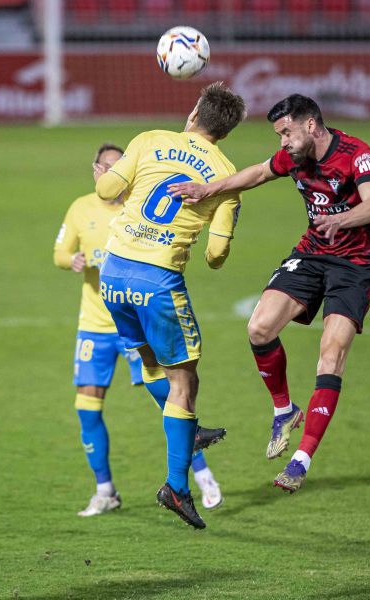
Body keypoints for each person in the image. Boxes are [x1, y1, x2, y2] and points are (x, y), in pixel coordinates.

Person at [168, 94, 370, 494]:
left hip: (354, 265)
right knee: (259, 327)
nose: (283, 142)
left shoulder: (357, 154)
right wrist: (207, 189)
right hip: (313, 252)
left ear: (311, 125)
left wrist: (341, 218)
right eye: (279, 134)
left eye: (286, 132)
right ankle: (284, 410)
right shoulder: (294, 158)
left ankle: (301, 459)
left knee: (331, 354)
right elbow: (256, 174)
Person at [94, 82, 246, 529]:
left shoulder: (149, 140)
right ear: (228, 128)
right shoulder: (225, 176)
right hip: (157, 279)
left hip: (114, 271)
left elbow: (105, 190)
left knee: (148, 360)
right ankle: (177, 488)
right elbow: (216, 258)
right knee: (186, 383)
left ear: (195, 111)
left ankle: (187, 431)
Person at [54, 143, 224, 517]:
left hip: (135, 316)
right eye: (108, 167)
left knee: (168, 401)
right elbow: (59, 252)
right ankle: (105, 491)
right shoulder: (82, 208)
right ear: (97, 170)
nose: (116, 174)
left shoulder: (140, 206)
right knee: (86, 407)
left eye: (122, 167)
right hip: (96, 325)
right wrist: (73, 261)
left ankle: (202, 476)